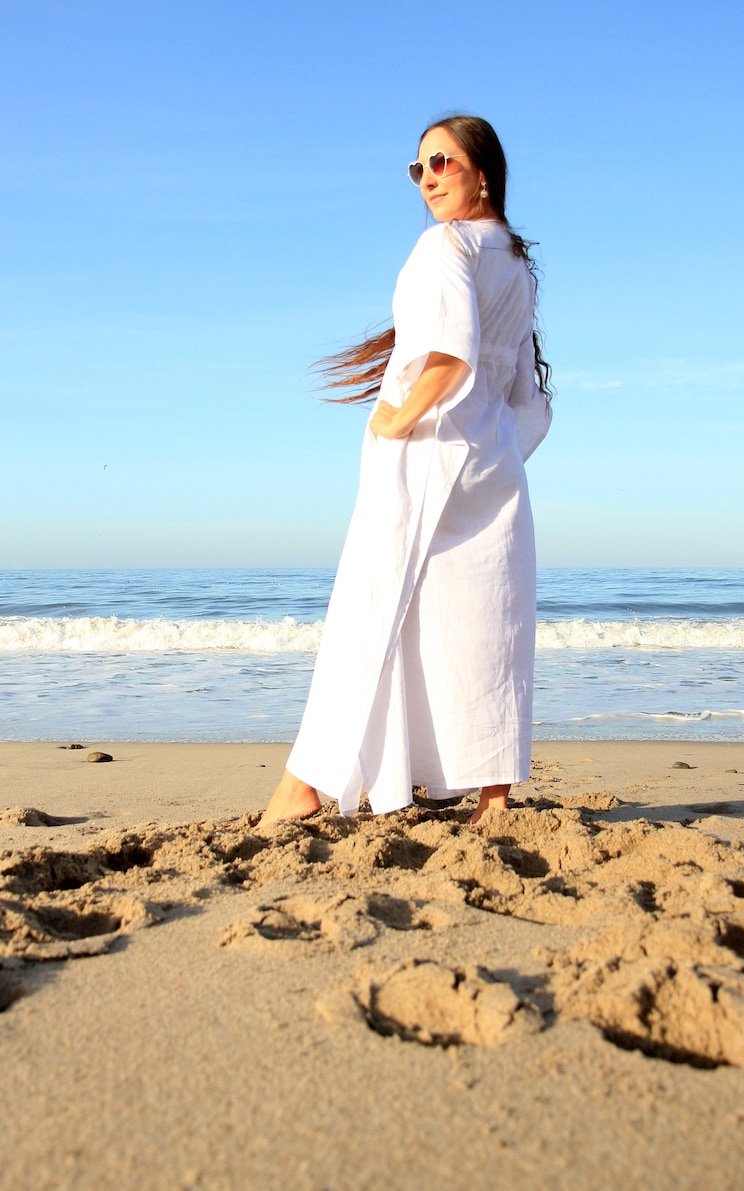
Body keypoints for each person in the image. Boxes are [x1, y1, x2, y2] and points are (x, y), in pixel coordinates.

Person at [261, 114, 552, 825]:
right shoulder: (516, 266)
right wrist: (496, 445)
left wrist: (394, 418)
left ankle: (304, 784)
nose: (428, 180)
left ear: (483, 173)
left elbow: (449, 355)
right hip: (490, 463)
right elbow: (528, 401)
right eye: (419, 169)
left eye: (443, 163)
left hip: (423, 455)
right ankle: (492, 797)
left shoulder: (444, 245)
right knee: (482, 620)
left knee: (369, 610)